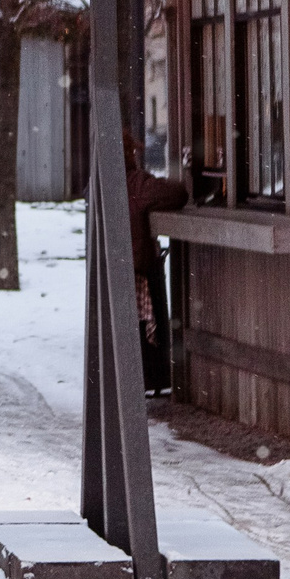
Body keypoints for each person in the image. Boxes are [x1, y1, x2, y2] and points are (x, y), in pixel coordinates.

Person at [124, 130, 188, 392]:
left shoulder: (99, 184)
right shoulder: (135, 184)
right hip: (139, 270)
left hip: (118, 273)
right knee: (148, 331)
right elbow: (176, 194)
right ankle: (153, 379)